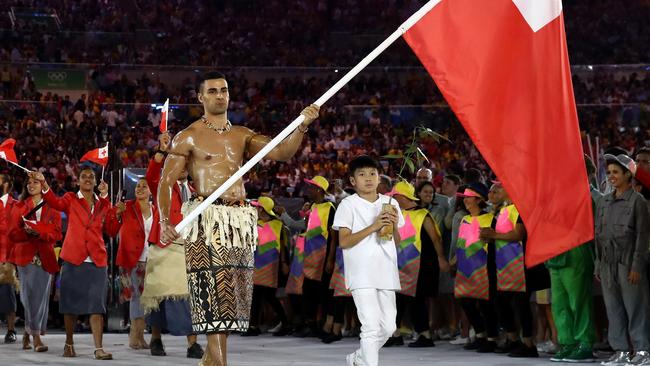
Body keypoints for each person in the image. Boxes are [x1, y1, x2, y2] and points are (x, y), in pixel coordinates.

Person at [158, 71, 320, 366]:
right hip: (206, 219)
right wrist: (164, 222)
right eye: (213, 91)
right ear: (201, 97)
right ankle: (219, 361)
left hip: (239, 223)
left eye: (224, 90)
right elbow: (165, 182)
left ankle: (210, 359)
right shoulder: (188, 135)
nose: (220, 95)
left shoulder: (242, 135)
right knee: (211, 290)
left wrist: (302, 126)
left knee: (232, 296)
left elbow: (282, 153)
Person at [29, 166, 120, 360]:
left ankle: (98, 348)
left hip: (97, 260)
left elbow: (111, 230)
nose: (88, 179)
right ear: (78, 181)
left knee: (97, 306)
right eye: (84, 176)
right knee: (70, 305)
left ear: (96, 182)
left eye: (91, 177)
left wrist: (116, 212)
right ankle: (68, 344)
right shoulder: (70, 198)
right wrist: (44, 183)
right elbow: (53, 201)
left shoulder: (103, 204)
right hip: (73, 258)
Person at [332, 155, 404, 366]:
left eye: (372, 173)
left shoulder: (390, 203)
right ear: (353, 181)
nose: (368, 178)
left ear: (379, 177)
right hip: (361, 273)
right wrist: (373, 226)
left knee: (389, 328)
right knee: (371, 327)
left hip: (386, 270)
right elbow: (344, 242)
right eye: (362, 174)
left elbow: (396, 241)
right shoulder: (348, 205)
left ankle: (359, 358)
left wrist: (394, 224)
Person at [143, 132, 204, 359]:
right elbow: (151, 175)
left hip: (189, 248)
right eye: (179, 162)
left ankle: (192, 344)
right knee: (159, 295)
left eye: (186, 163)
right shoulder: (162, 185)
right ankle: (156, 339)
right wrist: (161, 151)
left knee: (191, 295)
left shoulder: (198, 191)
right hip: (164, 246)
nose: (184, 166)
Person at [595, 154, 650, 366]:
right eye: (609, 172)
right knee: (613, 307)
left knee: (636, 307)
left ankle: (643, 350)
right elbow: (598, 235)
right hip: (608, 263)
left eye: (616, 172)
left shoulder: (638, 201)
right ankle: (621, 351)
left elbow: (643, 237)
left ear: (628, 174)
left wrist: (637, 266)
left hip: (628, 262)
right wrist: (599, 264)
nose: (611, 176)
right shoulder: (603, 202)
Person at [545, 156, 599, 363]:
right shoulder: (556, 195)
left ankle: (585, 343)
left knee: (579, 302)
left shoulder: (588, 197)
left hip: (576, 253)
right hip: (556, 255)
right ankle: (568, 342)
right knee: (559, 303)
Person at [385, 181, 449, 348]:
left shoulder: (423, 214)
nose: (392, 200)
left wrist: (441, 259)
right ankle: (395, 333)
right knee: (398, 299)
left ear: (402, 197)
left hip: (422, 264)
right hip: (402, 265)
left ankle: (425, 335)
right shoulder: (399, 214)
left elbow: (436, 239)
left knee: (416, 300)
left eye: (394, 196)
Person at [480, 182, 537, 358]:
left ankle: (529, 344)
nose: (496, 190)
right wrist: (489, 237)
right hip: (504, 264)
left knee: (521, 305)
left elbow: (519, 234)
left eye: (500, 187)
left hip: (520, 264)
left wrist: (494, 235)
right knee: (501, 302)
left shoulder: (520, 209)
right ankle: (513, 339)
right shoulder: (503, 210)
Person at [8, 176, 62, 352]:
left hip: (45, 257)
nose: (31, 185)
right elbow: (12, 234)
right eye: (28, 183)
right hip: (25, 256)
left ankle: (27, 332)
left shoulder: (52, 207)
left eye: (35, 182)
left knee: (40, 298)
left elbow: (57, 234)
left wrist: (39, 233)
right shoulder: (19, 206)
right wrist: (27, 232)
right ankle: (36, 337)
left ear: (42, 185)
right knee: (29, 296)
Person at [285, 176, 337, 337]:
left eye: (312, 187)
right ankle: (310, 324)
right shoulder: (312, 207)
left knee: (323, 294)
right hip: (309, 258)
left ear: (319, 190)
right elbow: (303, 228)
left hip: (322, 258)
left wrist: (330, 259)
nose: (309, 190)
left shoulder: (331, 208)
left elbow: (334, 236)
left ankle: (324, 325)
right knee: (309, 293)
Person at [453, 182, 499, 353]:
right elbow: (461, 242)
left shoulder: (490, 219)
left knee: (486, 304)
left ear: (479, 200)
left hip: (484, 267)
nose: (466, 201)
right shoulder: (465, 219)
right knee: (465, 300)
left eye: (469, 198)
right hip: (465, 267)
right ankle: (480, 334)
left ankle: (492, 338)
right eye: (465, 198)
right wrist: (454, 261)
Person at [114, 178, 158, 350]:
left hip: (152, 259)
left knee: (147, 299)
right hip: (132, 259)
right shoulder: (127, 206)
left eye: (144, 186)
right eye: (137, 186)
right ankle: (135, 335)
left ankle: (140, 335)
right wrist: (117, 213)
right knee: (136, 297)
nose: (139, 188)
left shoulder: (156, 210)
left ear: (150, 191)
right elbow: (111, 225)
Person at [242, 196, 290, 337]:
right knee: (257, 295)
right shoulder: (255, 223)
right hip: (256, 264)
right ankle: (254, 326)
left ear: (262, 209)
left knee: (269, 296)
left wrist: (284, 263)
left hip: (271, 266)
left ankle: (284, 323)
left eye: (257, 207)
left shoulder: (278, 224)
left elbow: (283, 245)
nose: (255, 209)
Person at [0, 173, 18, 344]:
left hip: (7, 257)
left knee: (8, 295)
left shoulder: (16, 205)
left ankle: (11, 330)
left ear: (7, 184)